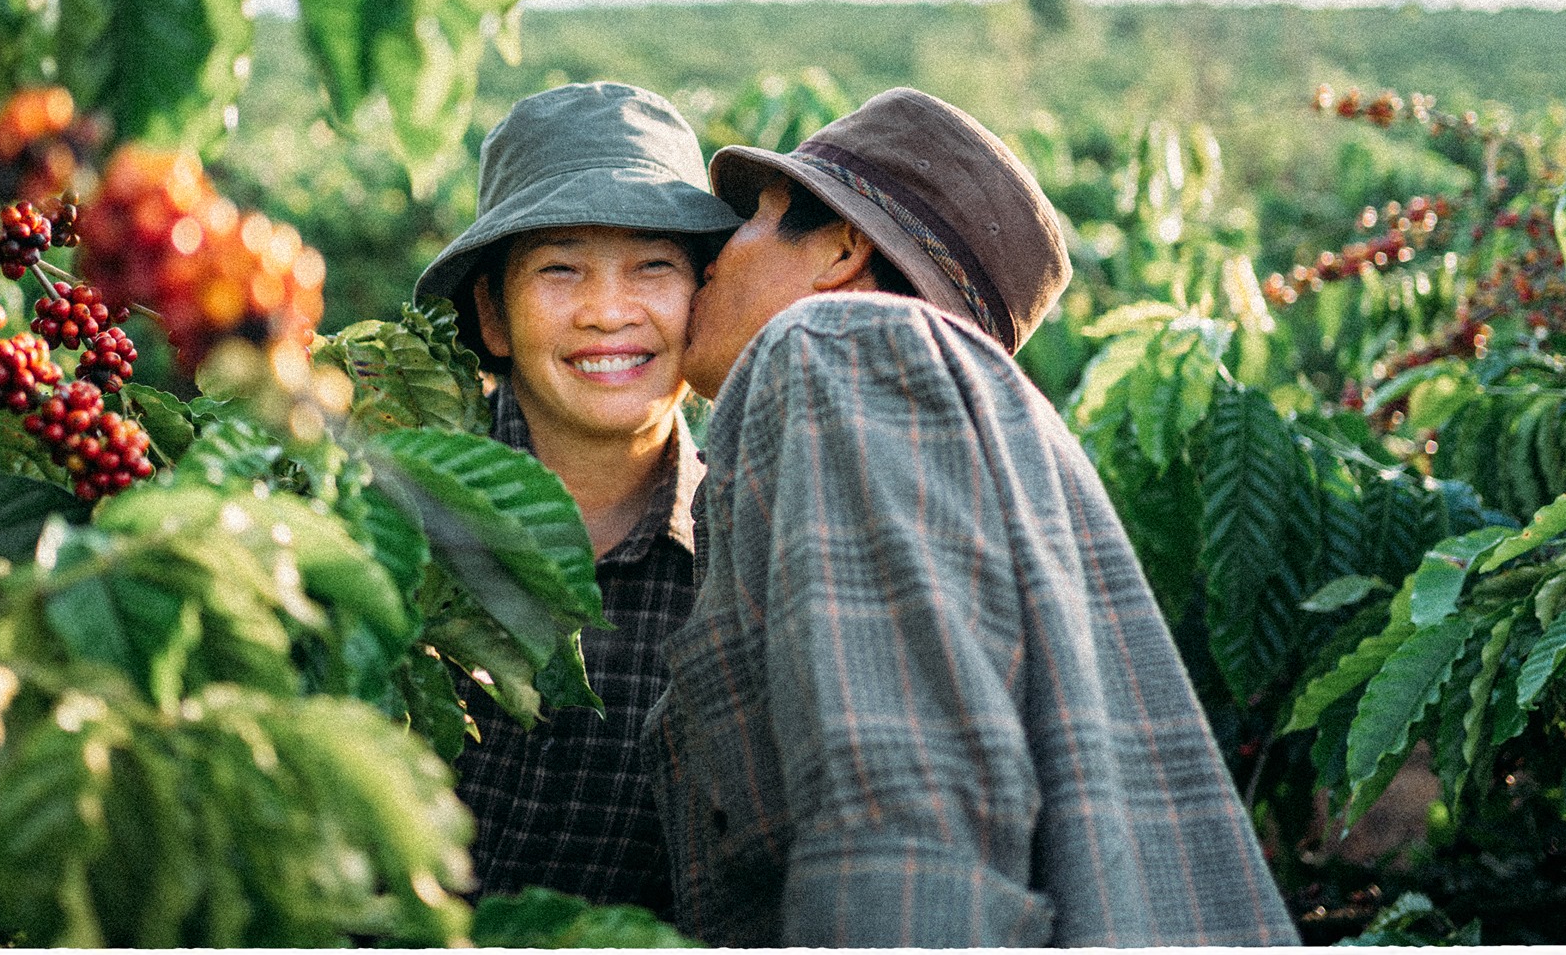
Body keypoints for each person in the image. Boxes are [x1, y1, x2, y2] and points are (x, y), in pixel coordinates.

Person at [645, 86, 1298, 947]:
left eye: (757, 218)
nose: (716, 256)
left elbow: (906, 827)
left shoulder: (834, 349)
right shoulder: (971, 424)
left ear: (842, 249)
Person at [412, 80, 740, 915]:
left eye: (653, 267)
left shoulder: (743, 561)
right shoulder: (392, 518)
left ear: (702, 302)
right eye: (561, 269)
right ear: (491, 314)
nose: (607, 311)